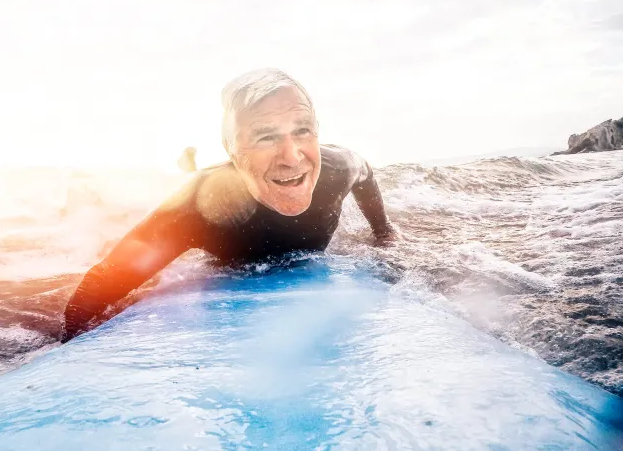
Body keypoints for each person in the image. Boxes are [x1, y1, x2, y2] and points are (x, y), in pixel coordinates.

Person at [61, 68, 396, 342]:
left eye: (303, 130)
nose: (292, 157)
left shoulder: (338, 167)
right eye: (266, 136)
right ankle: (190, 166)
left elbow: (365, 174)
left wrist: (384, 232)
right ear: (231, 148)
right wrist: (67, 342)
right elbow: (101, 285)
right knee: (204, 184)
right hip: (218, 191)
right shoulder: (194, 210)